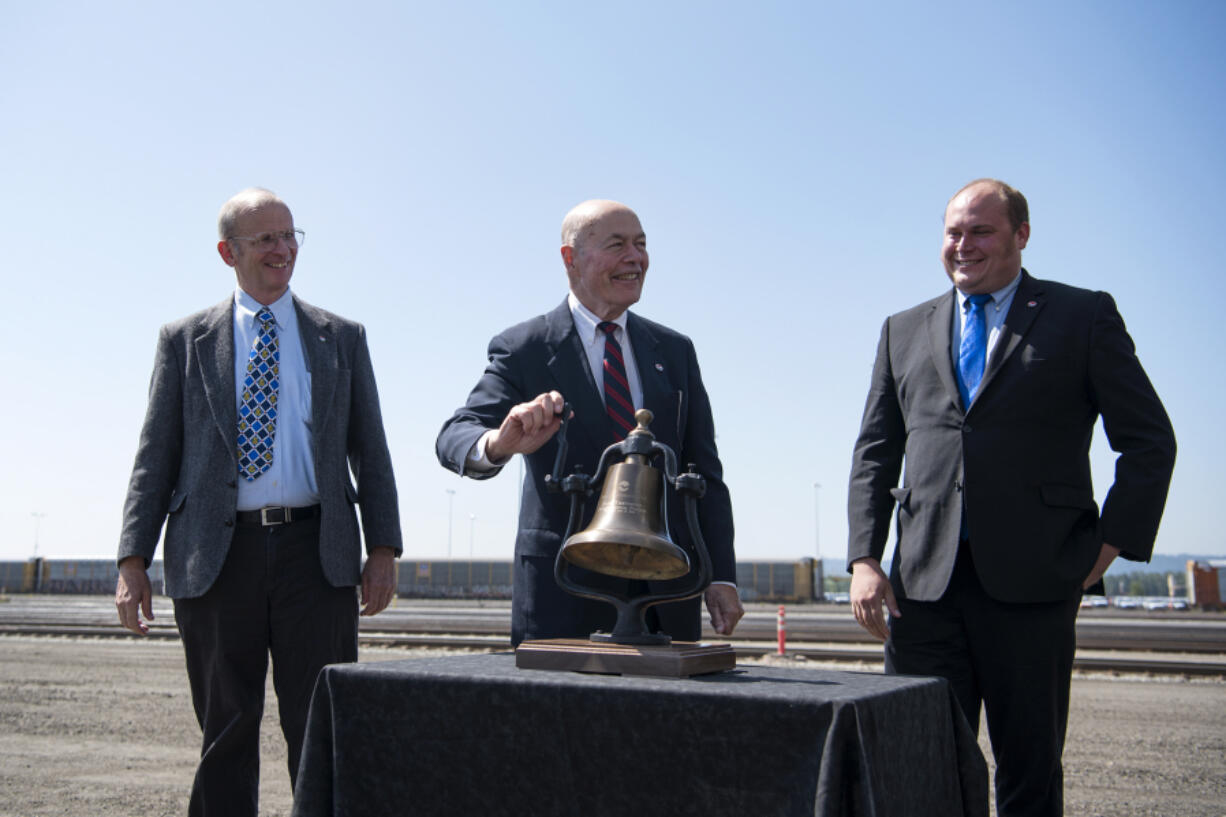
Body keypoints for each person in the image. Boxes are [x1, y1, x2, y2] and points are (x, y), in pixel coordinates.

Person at [846, 179, 1176, 817]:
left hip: (1036, 584)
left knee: (1028, 773)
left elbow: (1149, 442)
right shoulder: (903, 329)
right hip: (923, 591)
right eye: (952, 233)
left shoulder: (1082, 317)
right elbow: (874, 453)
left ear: (1021, 236)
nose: (962, 245)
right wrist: (864, 556)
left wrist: (1107, 546)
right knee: (918, 766)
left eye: (981, 231)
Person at [114, 188, 402, 817]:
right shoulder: (185, 340)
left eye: (290, 235)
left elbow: (370, 450)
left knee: (320, 728)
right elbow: (154, 455)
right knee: (226, 730)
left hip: (315, 554)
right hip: (216, 558)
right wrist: (132, 559)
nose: (283, 249)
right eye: (266, 238)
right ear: (229, 252)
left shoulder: (341, 338)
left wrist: (383, 547)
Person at [436, 199, 743, 646]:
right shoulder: (526, 348)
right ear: (570, 258)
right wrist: (499, 443)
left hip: (667, 589)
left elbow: (704, 471)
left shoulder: (675, 351)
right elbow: (455, 435)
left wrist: (722, 576)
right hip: (564, 592)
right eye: (617, 245)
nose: (635, 258)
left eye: (640, 245)